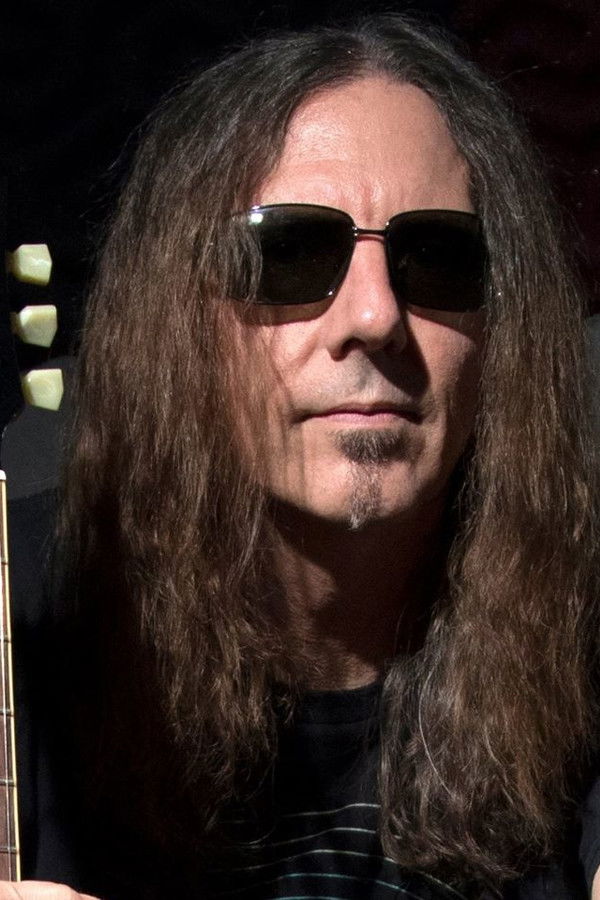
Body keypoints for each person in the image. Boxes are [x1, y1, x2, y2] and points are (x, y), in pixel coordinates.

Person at [4, 14, 600, 900]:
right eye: (287, 251)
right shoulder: (24, 610)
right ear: (176, 318)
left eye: (437, 255)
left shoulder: (582, 625)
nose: (375, 316)